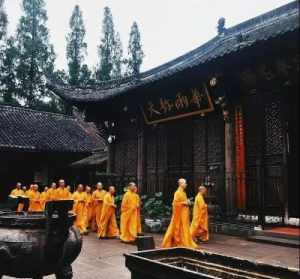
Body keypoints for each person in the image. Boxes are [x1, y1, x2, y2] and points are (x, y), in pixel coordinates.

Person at [161, 178, 197, 249]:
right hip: (179, 215)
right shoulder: (177, 193)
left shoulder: (183, 193)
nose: (186, 184)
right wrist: (185, 202)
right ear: (180, 184)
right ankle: (174, 242)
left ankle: (184, 242)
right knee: (177, 228)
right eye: (185, 183)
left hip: (184, 215)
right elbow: (175, 204)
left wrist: (187, 202)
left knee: (184, 229)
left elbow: (182, 202)